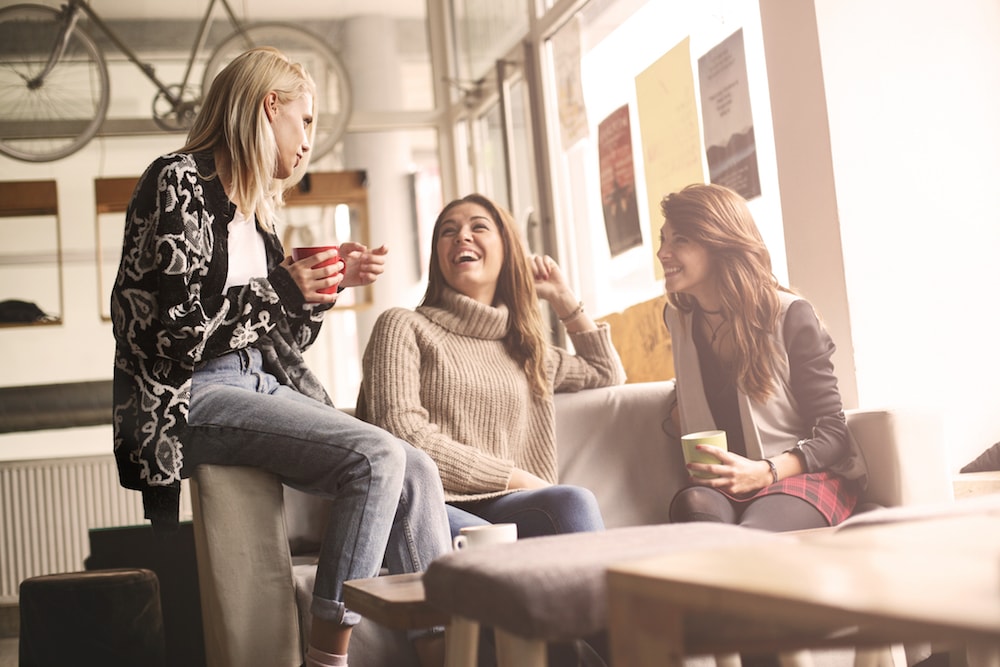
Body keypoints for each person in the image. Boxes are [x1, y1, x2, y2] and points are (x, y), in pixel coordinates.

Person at [110, 47, 450, 667]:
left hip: (259, 382)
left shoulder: (257, 216)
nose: (307, 142)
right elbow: (181, 329)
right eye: (307, 121)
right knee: (375, 458)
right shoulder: (178, 180)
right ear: (270, 107)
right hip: (192, 393)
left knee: (417, 467)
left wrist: (322, 289)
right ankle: (328, 660)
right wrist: (288, 287)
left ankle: (444, 653)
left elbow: (279, 342)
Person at [357, 193, 626, 540]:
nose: (462, 236)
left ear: (507, 248)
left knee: (573, 501)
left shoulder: (525, 349)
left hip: (504, 503)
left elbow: (606, 370)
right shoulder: (403, 327)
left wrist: (562, 298)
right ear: (439, 257)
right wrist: (516, 477)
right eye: (448, 231)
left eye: (478, 227)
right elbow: (402, 431)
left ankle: (605, 596)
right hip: (422, 500)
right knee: (487, 538)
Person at [658, 183, 867, 532]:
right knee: (693, 507)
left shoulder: (790, 315)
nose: (663, 252)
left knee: (753, 535)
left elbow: (833, 433)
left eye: (680, 240)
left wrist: (765, 471)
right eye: (663, 240)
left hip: (798, 477)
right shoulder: (678, 319)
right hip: (726, 486)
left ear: (719, 242)